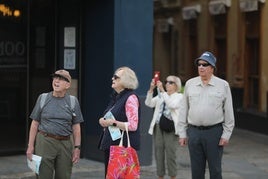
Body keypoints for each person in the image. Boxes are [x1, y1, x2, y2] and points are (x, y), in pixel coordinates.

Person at [177, 51, 235, 179]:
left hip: (214, 133)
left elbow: (229, 113)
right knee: (196, 171)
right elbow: (183, 109)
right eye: (199, 64)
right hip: (194, 132)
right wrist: (182, 133)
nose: (201, 67)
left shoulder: (223, 85)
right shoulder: (190, 84)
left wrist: (226, 134)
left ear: (212, 68)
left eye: (205, 64)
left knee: (215, 170)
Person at [26, 69, 84, 179]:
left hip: (65, 143)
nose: (56, 81)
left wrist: (77, 148)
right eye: (55, 78)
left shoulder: (73, 101)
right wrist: (30, 146)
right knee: (43, 175)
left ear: (68, 85)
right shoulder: (43, 98)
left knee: (64, 175)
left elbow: (76, 127)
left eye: (61, 79)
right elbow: (34, 123)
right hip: (45, 141)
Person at [98, 66, 141, 176]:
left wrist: (111, 123)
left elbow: (133, 125)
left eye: (116, 77)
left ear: (126, 80)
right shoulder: (116, 97)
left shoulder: (131, 98)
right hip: (112, 144)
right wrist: (103, 121)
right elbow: (110, 116)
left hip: (122, 147)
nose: (112, 78)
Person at [145, 75, 183, 179]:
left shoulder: (180, 97)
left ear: (176, 85)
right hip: (158, 127)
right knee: (159, 153)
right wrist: (151, 89)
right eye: (166, 81)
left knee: (171, 154)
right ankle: (160, 176)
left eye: (170, 82)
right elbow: (148, 103)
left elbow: (171, 105)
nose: (167, 84)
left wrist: (162, 90)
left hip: (171, 128)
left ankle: (172, 176)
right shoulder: (162, 95)